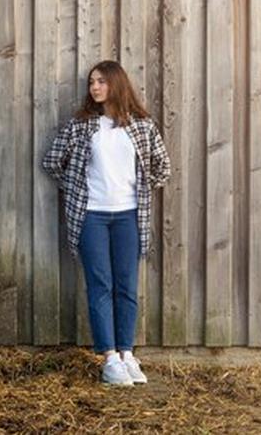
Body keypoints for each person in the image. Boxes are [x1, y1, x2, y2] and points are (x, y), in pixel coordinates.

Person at [41, 60, 171, 386]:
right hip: (92, 217)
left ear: (116, 84)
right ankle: (110, 358)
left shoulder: (141, 126)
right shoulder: (82, 125)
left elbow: (162, 168)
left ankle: (128, 355)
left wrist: (141, 185)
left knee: (127, 287)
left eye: (101, 81)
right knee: (101, 286)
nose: (95, 87)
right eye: (91, 83)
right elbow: (52, 161)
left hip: (128, 216)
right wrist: (75, 187)